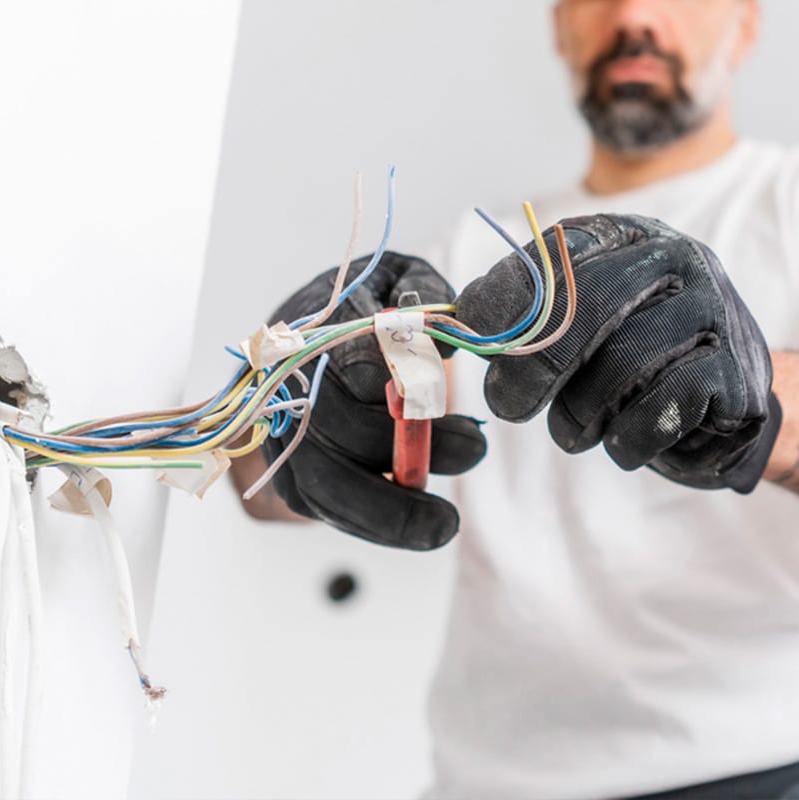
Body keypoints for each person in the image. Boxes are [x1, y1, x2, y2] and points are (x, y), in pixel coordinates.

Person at [242, 0, 799, 796]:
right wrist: (285, 406)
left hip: (752, 766)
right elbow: (249, 485)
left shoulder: (786, 204)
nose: (634, 14)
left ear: (746, 24)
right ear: (558, 25)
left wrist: (760, 401)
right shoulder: (475, 261)